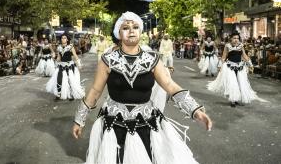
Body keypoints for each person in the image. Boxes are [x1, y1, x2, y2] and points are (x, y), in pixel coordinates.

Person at [72, 11, 212, 164]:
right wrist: (79, 119)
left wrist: (195, 110)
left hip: (146, 124)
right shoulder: (108, 60)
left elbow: (170, 85)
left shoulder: (152, 59)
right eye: (126, 27)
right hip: (114, 124)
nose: (131, 30)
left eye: (135, 26)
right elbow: (95, 91)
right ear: (118, 33)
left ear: (141, 31)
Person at [207, 31, 257, 107]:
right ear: (231, 39)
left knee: (240, 83)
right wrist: (220, 66)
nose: (236, 40)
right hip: (229, 67)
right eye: (234, 38)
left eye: (237, 38)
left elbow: (244, 56)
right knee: (232, 83)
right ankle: (233, 100)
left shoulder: (241, 45)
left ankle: (236, 99)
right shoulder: (227, 46)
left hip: (240, 67)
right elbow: (224, 57)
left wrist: (250, 65)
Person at [46, 33, 84, 101]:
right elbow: (58, 58)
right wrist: (54, 56)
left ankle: (71, 95)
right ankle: (58, 95)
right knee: (59, 79)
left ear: (67, 39)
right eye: (62, 38)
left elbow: (75, 56)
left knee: (70, 80)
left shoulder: (70, 47)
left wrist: (79, 64)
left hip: (69, 66)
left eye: (64, 38)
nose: (63, 39)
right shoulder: (59, 47)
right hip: (61, 65)